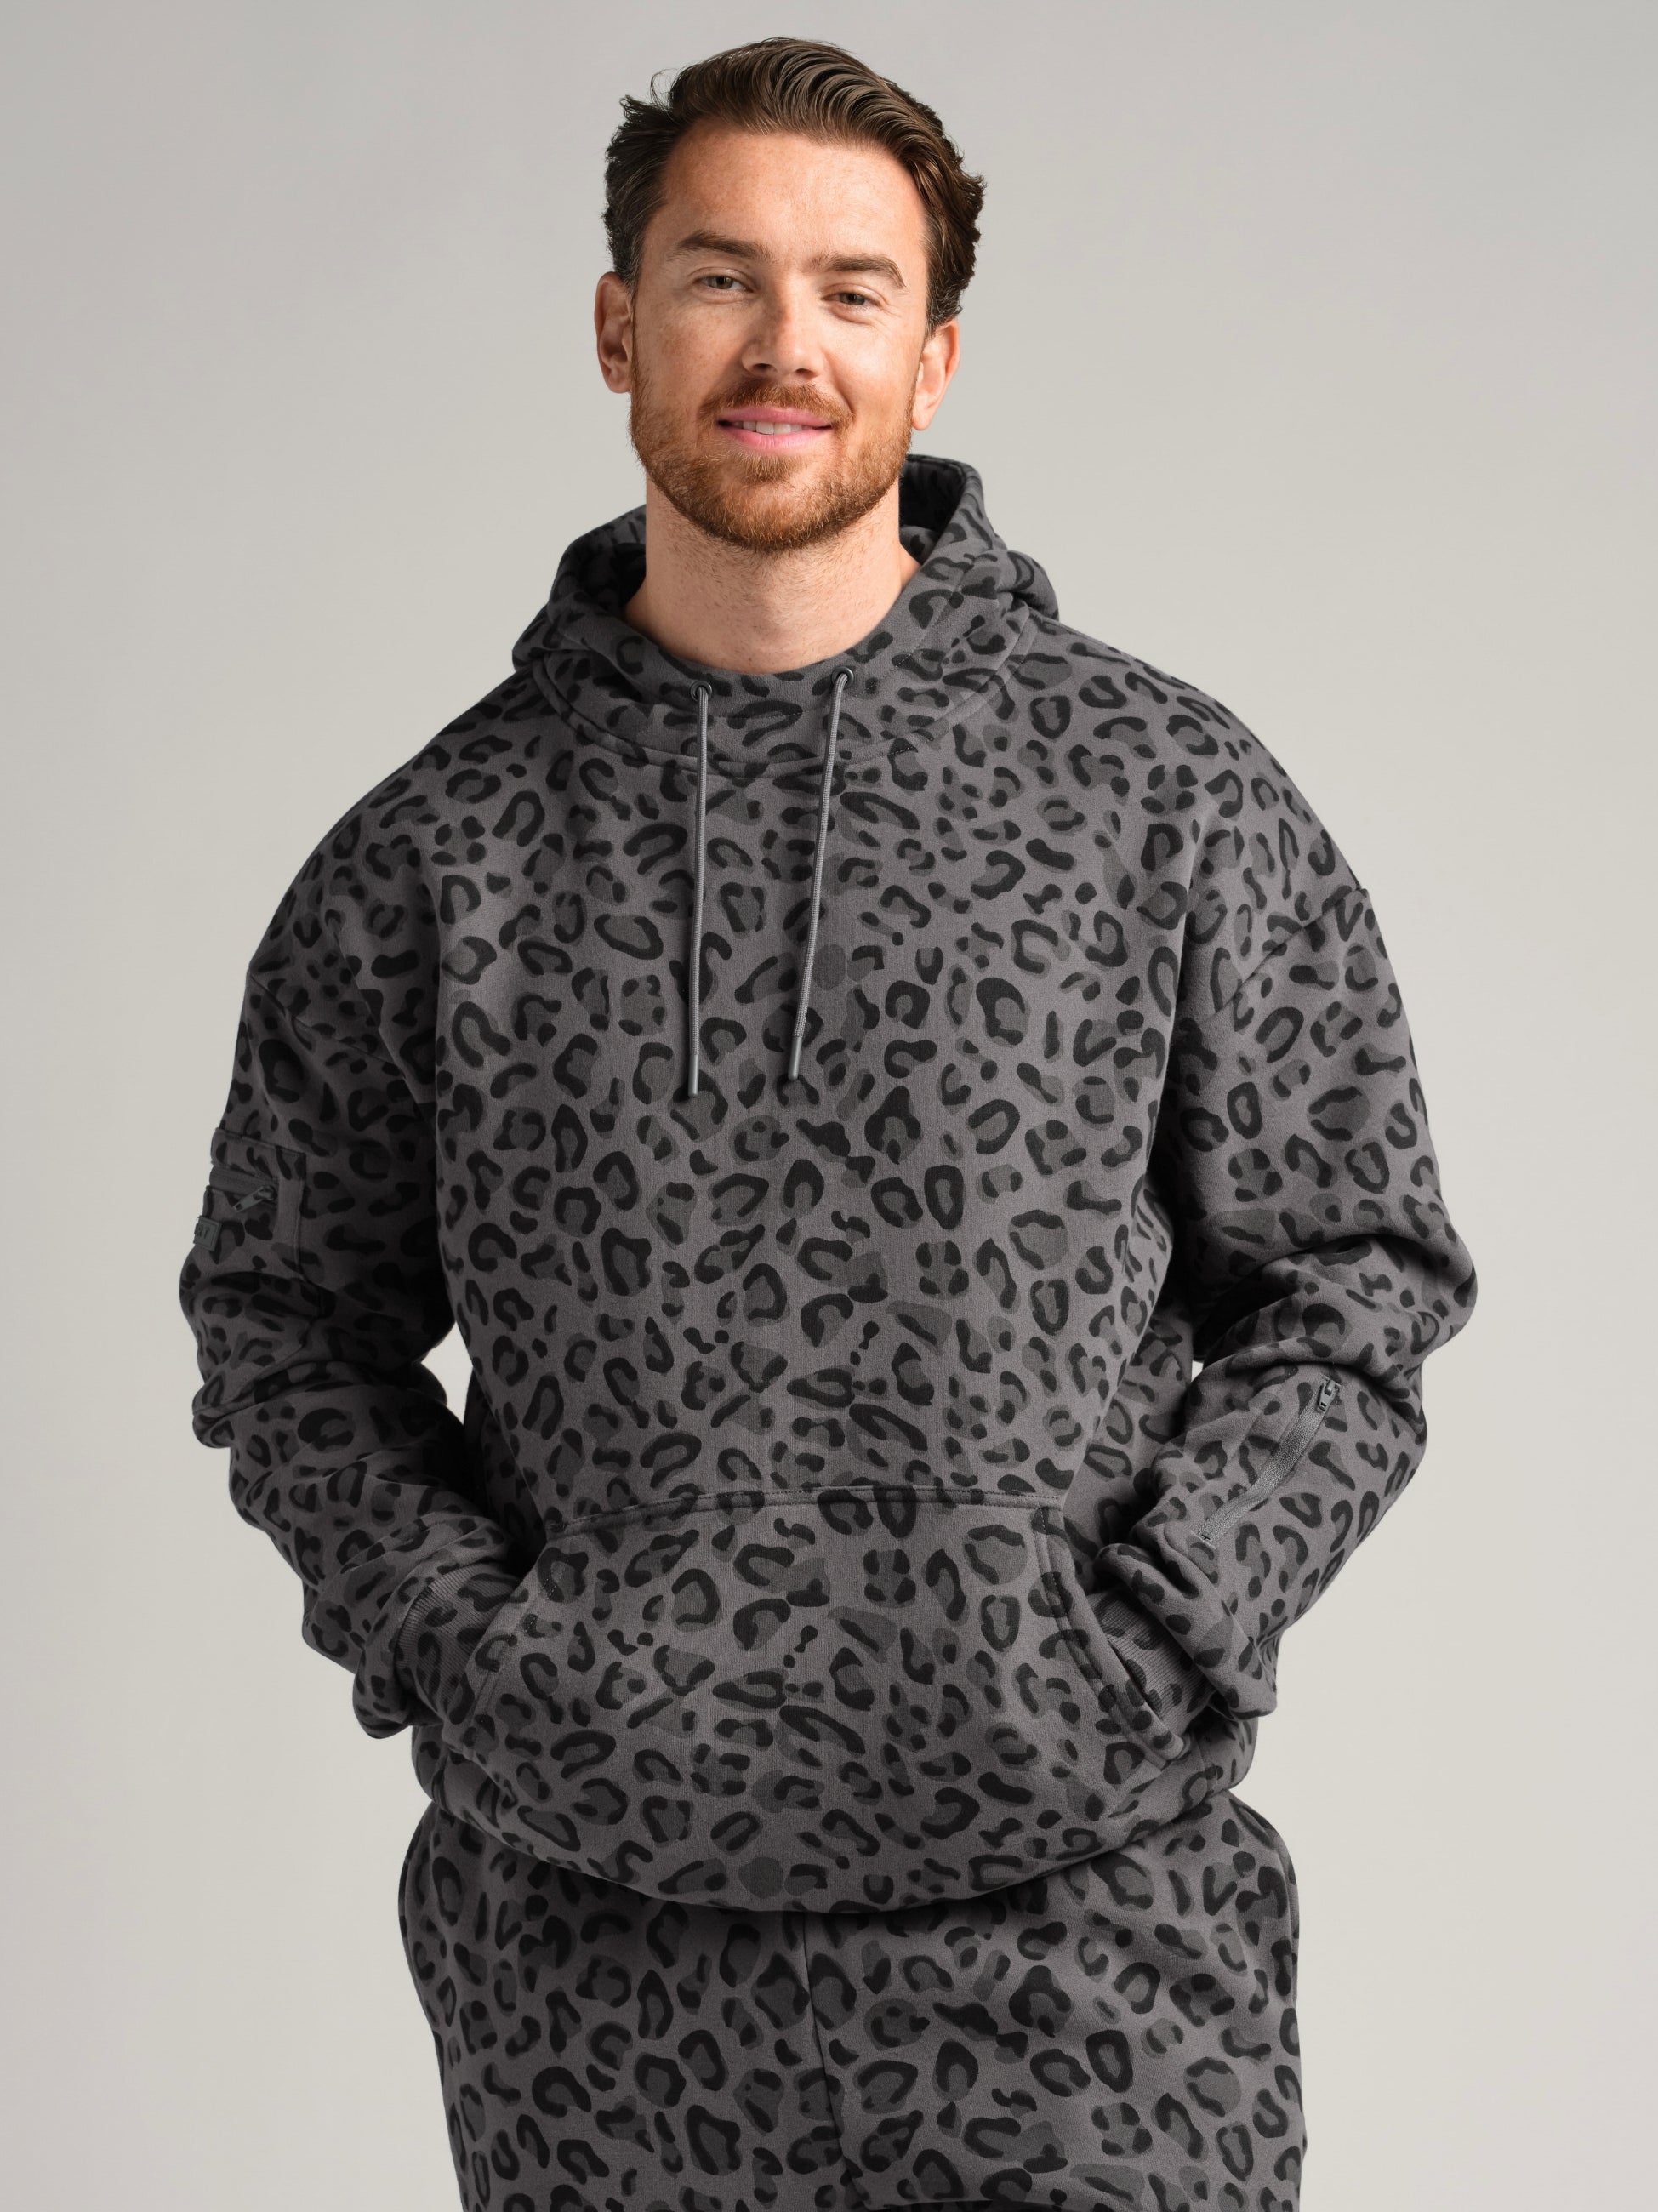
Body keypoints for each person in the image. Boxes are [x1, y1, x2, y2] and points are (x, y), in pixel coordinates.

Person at [180, 35, 1477, 2212]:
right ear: (620, 327)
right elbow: (282, 1319)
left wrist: (1160, 1633)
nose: (786, 344)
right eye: (722, 278)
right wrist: (475, 1658)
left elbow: (1360, 1274)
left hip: (1090, 1974)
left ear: (932, 355)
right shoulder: (433, 860)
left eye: (852, 289)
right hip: (595, 2000)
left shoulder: (1163, 798)